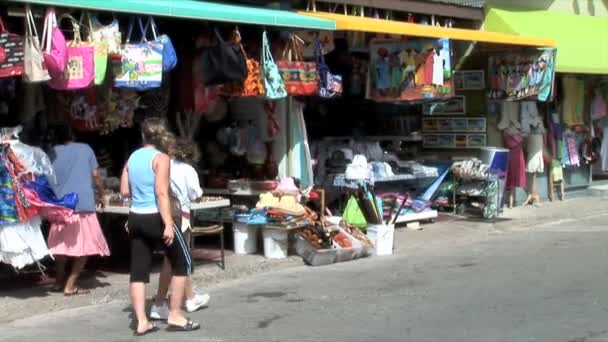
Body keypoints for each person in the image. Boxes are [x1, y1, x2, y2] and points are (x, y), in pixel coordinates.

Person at [120, 118, 199, 335]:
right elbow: (161, 192)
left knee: (138, 271)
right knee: (182, 263)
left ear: (143, 136)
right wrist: (167, 223)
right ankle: (175, 314)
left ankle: (141, 321)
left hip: (135, 217)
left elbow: (125, 191)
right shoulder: (161, 158)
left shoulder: (132, 157)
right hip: (156, 216)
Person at [150, 138, 209, 320]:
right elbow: (196, 193)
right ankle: (161, 303)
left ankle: (189, 297)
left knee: (177, 259)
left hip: (163, 215)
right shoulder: (188, 170)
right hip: (179, 217)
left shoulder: (164, 165)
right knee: (175, 260)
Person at [48, 125, 110, 295]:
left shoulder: (52, 152)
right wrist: (102, 194)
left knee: (60, 246)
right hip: (83, 204)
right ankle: (70, 284)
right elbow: (96, 175)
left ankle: (58, 281)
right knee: (87, 245)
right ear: (72, 135)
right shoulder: (85, 148)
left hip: (61, 206)